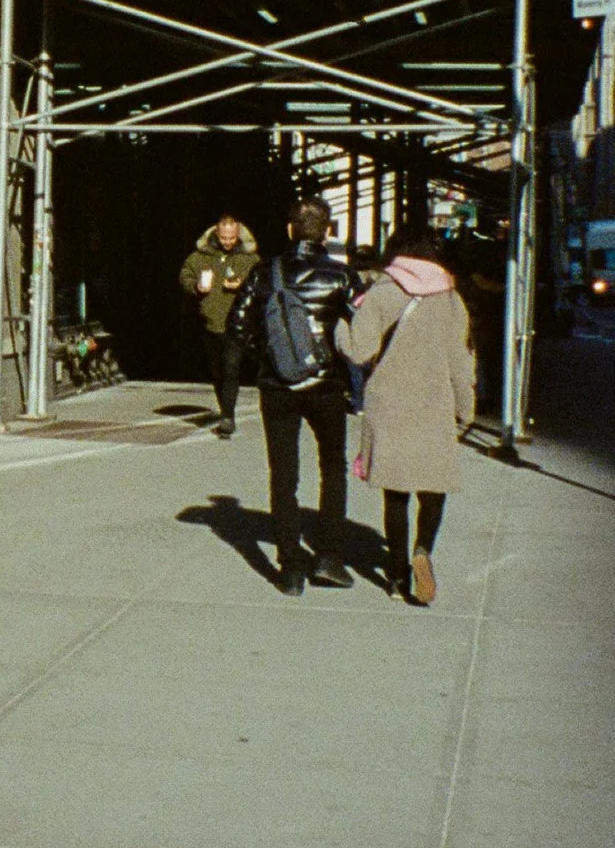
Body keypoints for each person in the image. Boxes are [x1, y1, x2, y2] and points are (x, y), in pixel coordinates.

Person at [339, 229, 477, 606]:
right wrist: (466, 410)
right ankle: (423, 550)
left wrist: (337, 326)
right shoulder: (450, 298)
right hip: (434, 404)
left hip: (389, 404)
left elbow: (358, 350)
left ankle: (397, 572)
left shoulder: (381, 293)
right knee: (433, 490)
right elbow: (461, 361)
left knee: (396, 494)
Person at [226, 197, 356, 594]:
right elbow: (364, 334)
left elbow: (237, 330)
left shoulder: (264, 273)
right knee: (332, 468)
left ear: (289, 230)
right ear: (328, 232)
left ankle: (291, 569)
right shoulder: (342, 277)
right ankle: (329, 558)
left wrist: (267, 356)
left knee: (283, 476)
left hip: (277, 387)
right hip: (327, 386)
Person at [176, 214, 259, 435]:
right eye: (224, 238)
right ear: (216, 234)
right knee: (217, 372)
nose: (228, 242)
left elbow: (261, 283)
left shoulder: (250, 259)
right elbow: (185, 274)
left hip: (236, 324)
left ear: (238, 233)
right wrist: (195, 287)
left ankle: (228, 417)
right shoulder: (201, 256)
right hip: (209, 323)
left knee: (231, 368)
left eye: (232, 238)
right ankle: (225, 408)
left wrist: (243, 286)